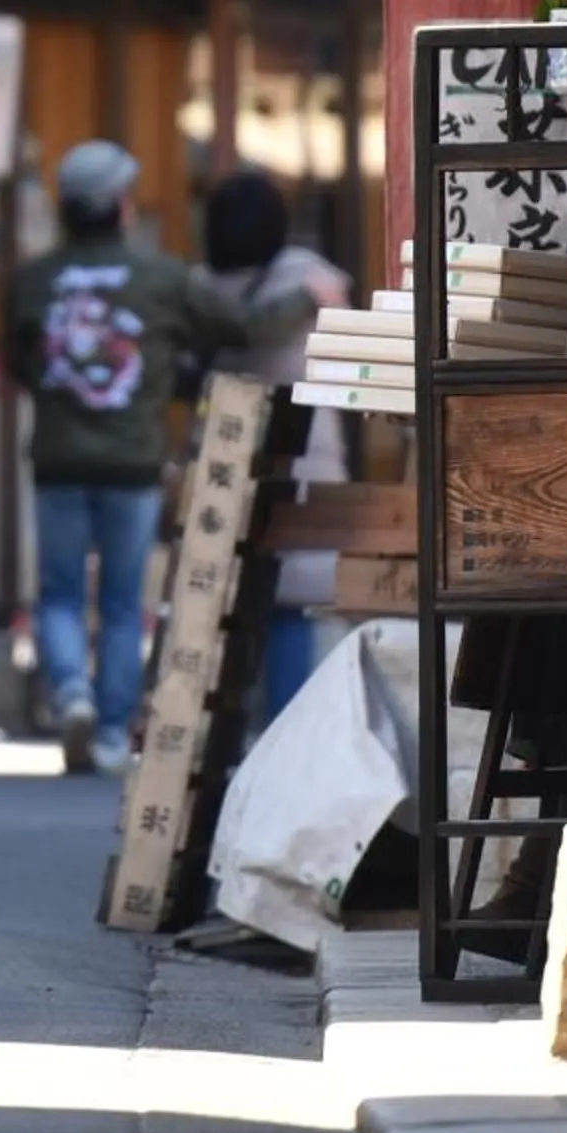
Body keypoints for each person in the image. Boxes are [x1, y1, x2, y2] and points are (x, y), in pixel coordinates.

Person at [5, 139, 251, 776]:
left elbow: (19, 362)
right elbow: (235, 327)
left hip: (59, 457)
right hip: (134, 460)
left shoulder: (35, 279)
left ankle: (71, 692)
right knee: (120, 602)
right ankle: (113, 732)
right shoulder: (163, 278)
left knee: (59, 593)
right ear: (120, 205)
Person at [197, 170, 354, 724]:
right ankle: (284, 730)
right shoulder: (311, 279)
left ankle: (224, 729)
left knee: (223, 605)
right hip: (306, 456)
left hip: (224, 456)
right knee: (293, 600)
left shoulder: (200, 289)